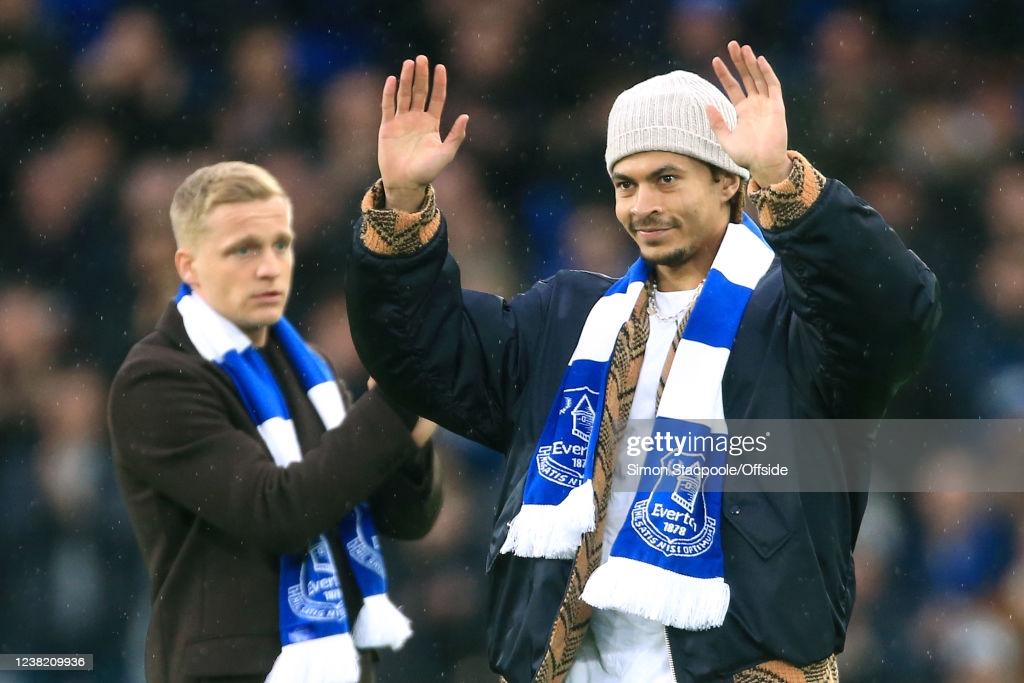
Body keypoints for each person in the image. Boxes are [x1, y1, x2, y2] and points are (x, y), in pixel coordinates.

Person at [344, 42, 940, 683]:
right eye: (626, 184)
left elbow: (894, 314)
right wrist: (403, 201)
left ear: (728, 182)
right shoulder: (567, 318)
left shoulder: (797, 321)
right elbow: (420, 355)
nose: (642, 205)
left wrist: (786, 180)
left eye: (667, 178)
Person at [108, 161, 441, 683]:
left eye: (280, 245)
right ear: (189, 266)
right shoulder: (157, 380)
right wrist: (395, 409)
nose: (269, 267)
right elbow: (278, 510)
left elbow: (405, 519)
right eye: (243, 249)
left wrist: (416, 434)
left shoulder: (311, 369)